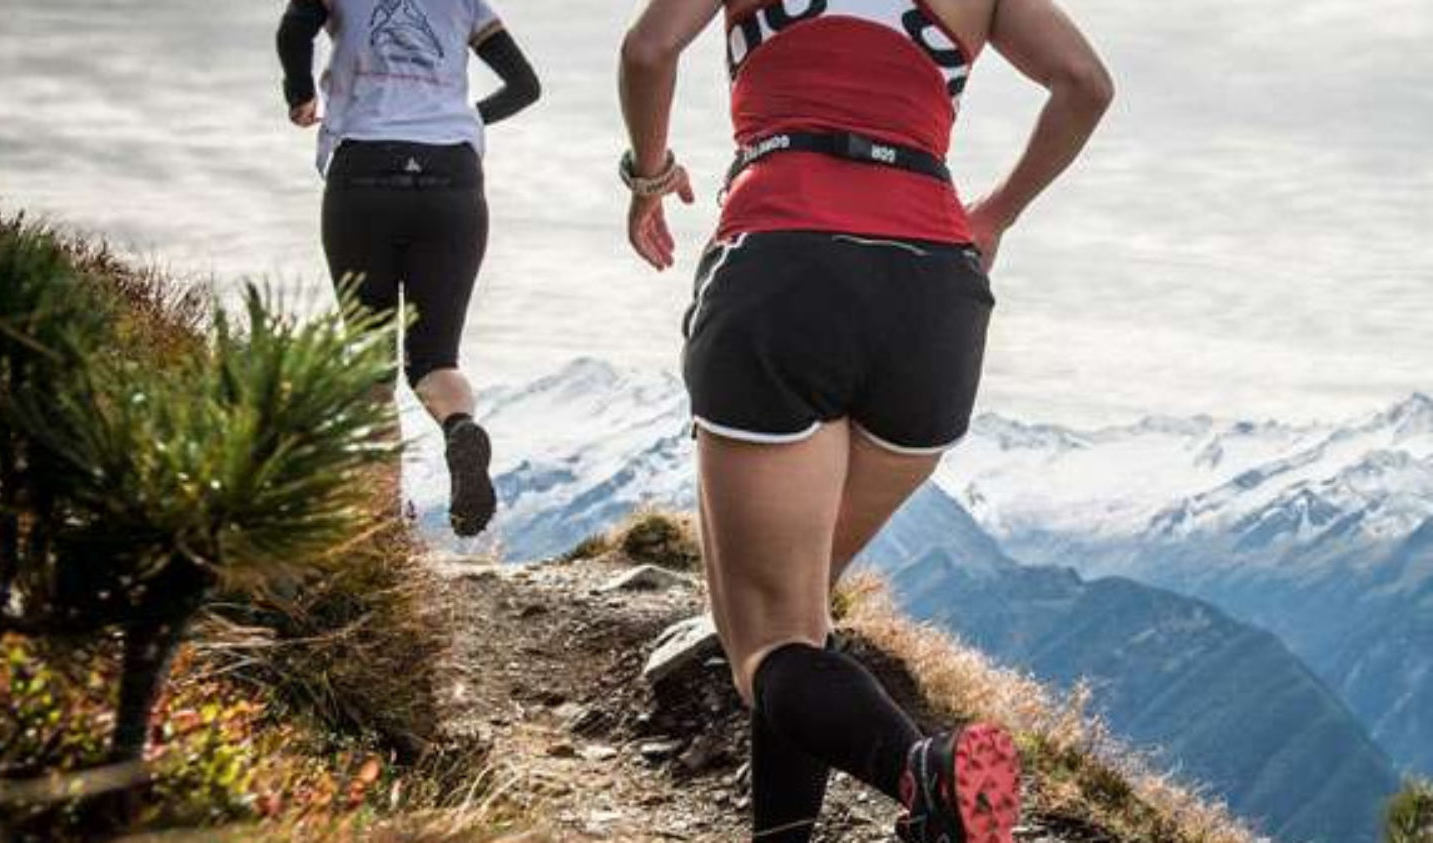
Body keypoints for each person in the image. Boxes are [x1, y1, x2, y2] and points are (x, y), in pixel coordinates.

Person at [618, 0, 1112, 839]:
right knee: (800, 616)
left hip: (784, 261)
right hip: (933, 294)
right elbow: (1085, 85)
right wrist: (993, 214)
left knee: (768, 644)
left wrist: (651, 175)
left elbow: (648, 48)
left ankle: (923, 771)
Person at [276, 0, 540, 537]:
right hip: (453, 176)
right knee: (435, 359)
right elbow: (525, 85)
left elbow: (294, 27)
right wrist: (459, 121)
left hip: (364, 172)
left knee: (370, 359)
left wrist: (299, 92)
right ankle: (459, 427)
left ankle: (381, 529)